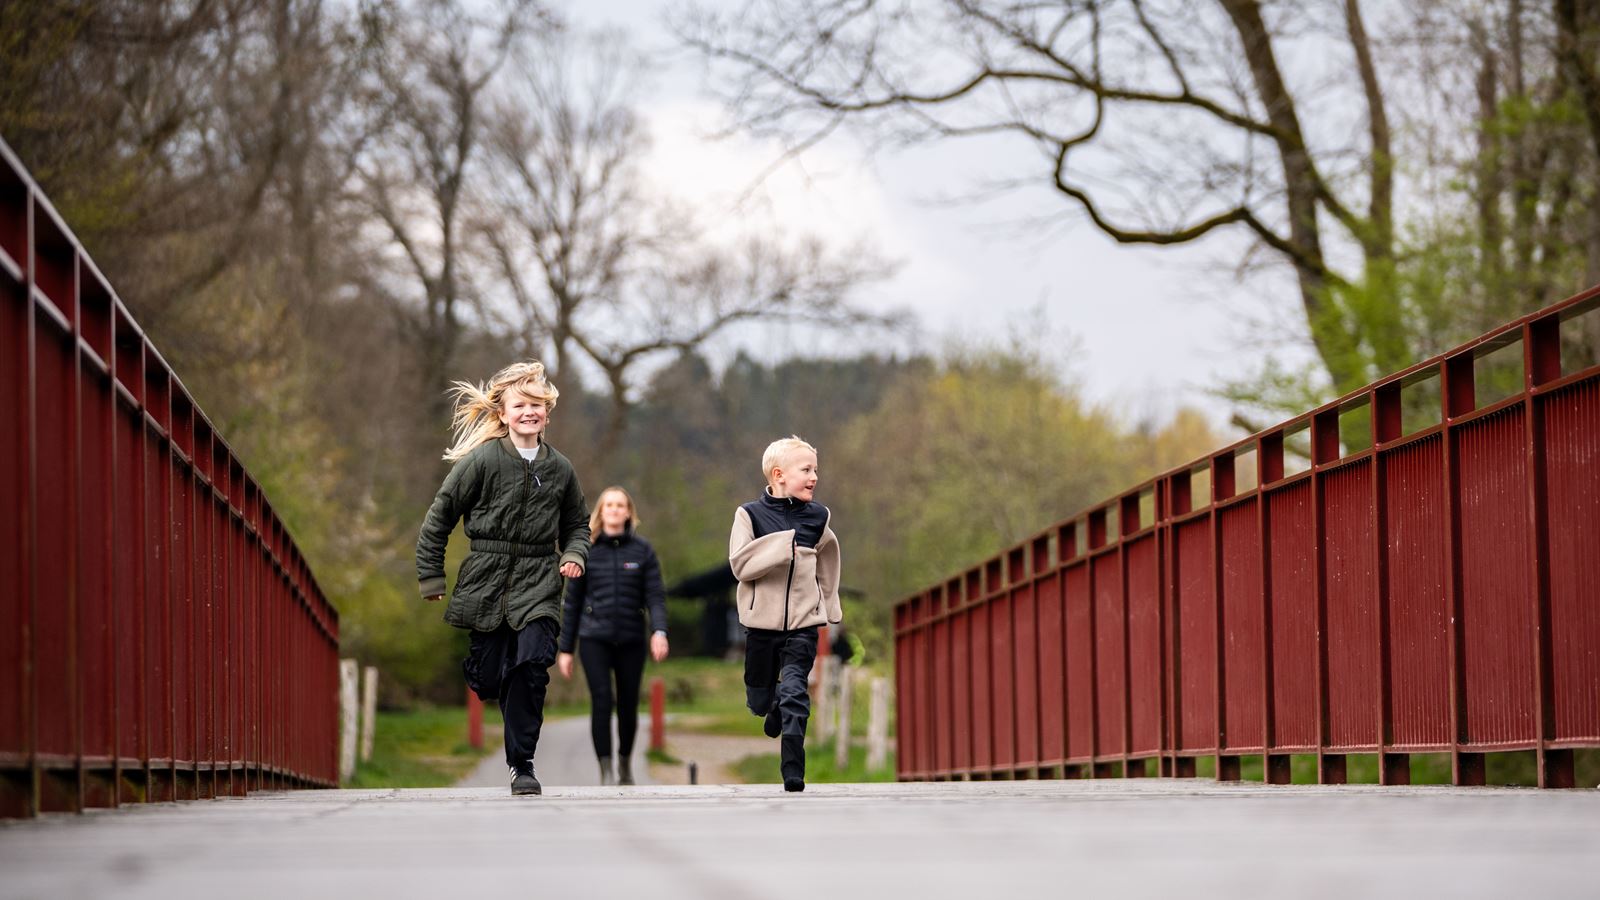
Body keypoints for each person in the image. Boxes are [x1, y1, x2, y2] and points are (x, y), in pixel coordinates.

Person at [416, 361, 590, 797]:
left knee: (532, 667)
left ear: (547, 413)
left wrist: (573, 554)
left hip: (540, 578)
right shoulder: (482, 461)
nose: (529, 412)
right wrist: (431, 575)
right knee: (491, 675)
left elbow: (577, 525)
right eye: (520, 405)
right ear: (503, 413)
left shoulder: (560, 468)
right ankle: (488, 677)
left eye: (536, 405)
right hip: (486, 577)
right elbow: (440, 517)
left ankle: (522, 764)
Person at [728, 435, 842, 792]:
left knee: (795, 692)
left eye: (815, 470)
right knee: (759, 702)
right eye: (806, 470)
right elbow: (740, 565)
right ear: (779, 475)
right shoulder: (749, 515)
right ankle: (771, 704)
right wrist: (782, 547)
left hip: (803, 624)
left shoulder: (818, 516)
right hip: (760, 625)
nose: (814, 477)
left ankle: (793, 771)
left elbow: (829, 555)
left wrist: (829, 602)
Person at [556, 486, 670, 785]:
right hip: (594, 638)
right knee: (602, 700)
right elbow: (572, 602)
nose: (615, 510)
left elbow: (655, 596)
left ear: (628, 512)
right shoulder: (587, 550)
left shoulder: (643, 551)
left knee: (629, 703)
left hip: (631, 639)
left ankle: (625, 766)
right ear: (601, 511)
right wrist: (565, 649)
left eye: (620, 505)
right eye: (609, 505)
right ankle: (605, 771)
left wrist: (659, 631)